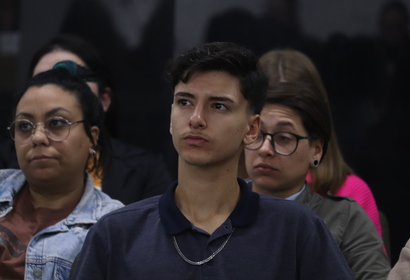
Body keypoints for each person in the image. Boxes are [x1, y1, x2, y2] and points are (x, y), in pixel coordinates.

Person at [69, 42, 354, 279]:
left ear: (251, 129)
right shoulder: (117, 233)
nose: (196, 119)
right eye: (184, 102)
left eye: (218, 105)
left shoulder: (295, 229)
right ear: (170, 117)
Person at [244, 82, 391, 279]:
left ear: (317, 150)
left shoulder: (343, 219)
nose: (265, 149)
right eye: (257, 134)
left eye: (284, 138)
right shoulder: (217, 206)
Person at [0, 68, 123, 279]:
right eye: (24, 126)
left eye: (56, 123)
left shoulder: (113, 225)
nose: (37, 137)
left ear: (92, 138)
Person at [26, 34, 173, 204]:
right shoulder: (6, 162)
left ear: (104, 100)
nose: (54, 94)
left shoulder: (146, 170)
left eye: (71, 82)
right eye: (42, 82)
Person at [257, 48, 384, 240]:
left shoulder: (351, 193)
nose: (266, 147)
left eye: (285, 134)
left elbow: (370, 269)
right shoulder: (226, 189)